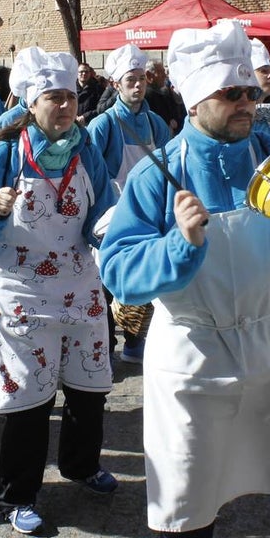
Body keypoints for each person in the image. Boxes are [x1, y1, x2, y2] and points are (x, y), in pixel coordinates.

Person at [99, 21, 270, 538]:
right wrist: (175, 245)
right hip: (193, 352)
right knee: (187, 489)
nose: (247, 103)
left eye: (250, 92)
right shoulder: (155, 175)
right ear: (195, 99)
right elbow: (119, 272)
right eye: (231, 94)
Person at [0, 46, 119, 535]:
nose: (66, 107)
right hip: (20, 294)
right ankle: (16, 495)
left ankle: (81, 465)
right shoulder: (6, 153)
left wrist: (113, 234)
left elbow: (104, 211)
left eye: (70, 97)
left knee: (90, 387)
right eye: (55, 98)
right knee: (30, 399)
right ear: (32, 102)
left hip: (81, 285)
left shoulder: (85, 148)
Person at [87, 44, 172, 364]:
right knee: (105, 284)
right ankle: (104, 350)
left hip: (149, 213)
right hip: (112, 215)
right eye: (131, 80)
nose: (138, 86)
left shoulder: (156, 124)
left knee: (143, 281)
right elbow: (94, 175)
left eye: (142, 79)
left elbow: (168, 169)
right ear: (115, 84)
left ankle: (136, 345)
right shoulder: (103, 125)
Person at [143, 59, 187, 135]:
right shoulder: (146, 96)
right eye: (160, 72)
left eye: (164, 71)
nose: (165, 75)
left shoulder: (163, 92)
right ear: (149, 75)